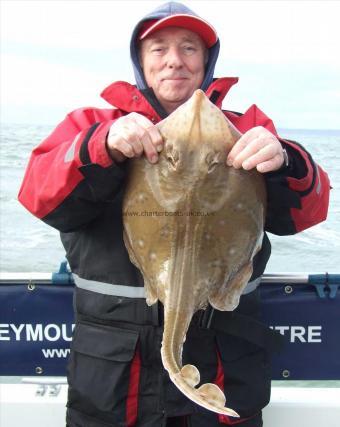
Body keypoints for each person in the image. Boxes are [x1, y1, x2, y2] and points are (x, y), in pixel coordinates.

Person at [18, 2, 330, 426]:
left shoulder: (248, 128)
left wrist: (288, 160)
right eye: (159, 48)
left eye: (189, 48)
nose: (174, 60)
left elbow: (309, 211)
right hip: (115, 377)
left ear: (206, 61)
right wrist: (102, 145)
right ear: (140, 61)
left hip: (223, 361)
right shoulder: (94, 124)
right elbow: (39, 196)